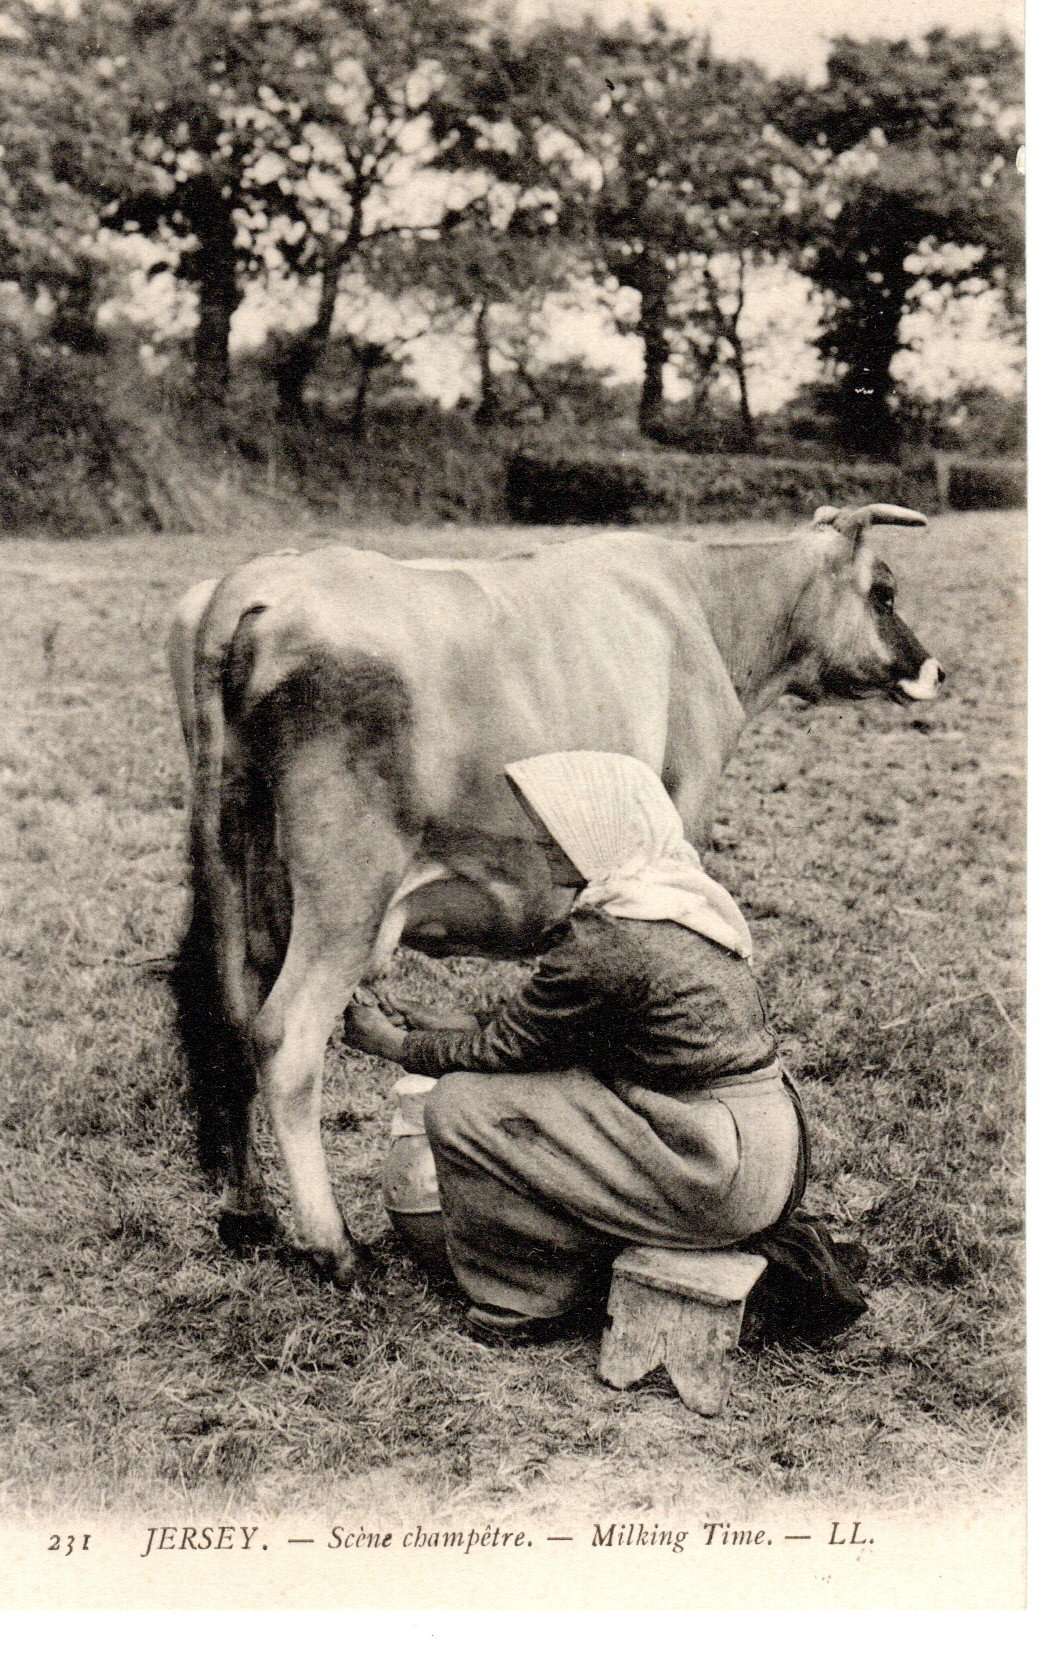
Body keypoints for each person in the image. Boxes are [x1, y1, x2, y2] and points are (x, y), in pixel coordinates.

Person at [349, 751, 864, 1345]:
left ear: (605, 829)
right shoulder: (674, 900)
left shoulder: (610, 936)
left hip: (712, 1172)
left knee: (463, 1105)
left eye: (559, 830)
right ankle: (599, 1241)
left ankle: (531, 1293)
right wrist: (449, 1021)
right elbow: (563, 1025)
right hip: (765, 1153)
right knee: (548, 1090)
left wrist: (396, 1044)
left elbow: (508, 1051)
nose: (543, 843)